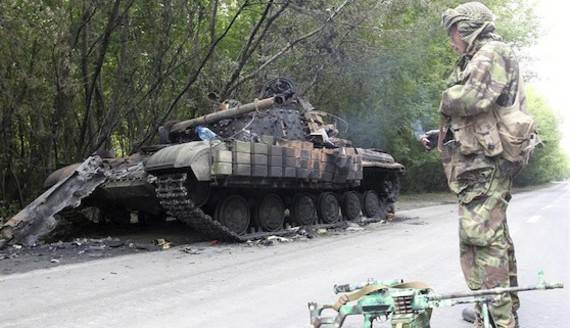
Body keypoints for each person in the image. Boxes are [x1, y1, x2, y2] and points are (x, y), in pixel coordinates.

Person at [420, 2, 523, 327]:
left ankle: (500, 320)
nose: (452, 41)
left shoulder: (491, 52)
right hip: (480, 163)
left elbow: (470, 99)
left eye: (454, 33)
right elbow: (480, 114)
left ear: (468, 28)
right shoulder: (484, 55)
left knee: (482, 240)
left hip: (485, 165)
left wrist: (445, 96)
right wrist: (440, 133)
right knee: (489, 238)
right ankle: (493, 309)